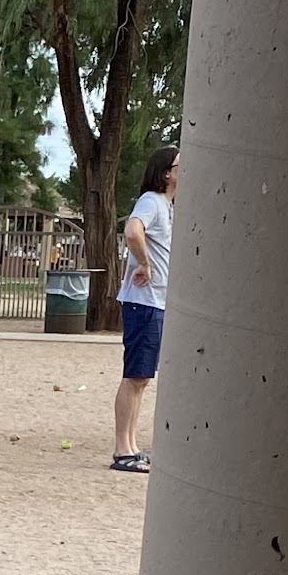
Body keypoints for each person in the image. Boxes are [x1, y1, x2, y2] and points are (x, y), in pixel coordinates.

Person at [111, 145, 179, 474]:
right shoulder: (151, 201)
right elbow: (132, 230)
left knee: (142, 379)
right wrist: (145, 264)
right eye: (181, 165)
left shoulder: (169, 206)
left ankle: (132, 446)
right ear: (166, 172)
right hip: (144, 301)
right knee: (135, 376)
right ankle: (122, 449)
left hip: (157, 302)